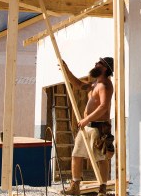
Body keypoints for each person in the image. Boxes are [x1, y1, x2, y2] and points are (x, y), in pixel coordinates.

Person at [60, 56, 115, 195]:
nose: (96, 63)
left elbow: (103, 107)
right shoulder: (96, 83)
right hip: (88, 126)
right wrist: (66, 70)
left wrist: (86, 119)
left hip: (99, 127)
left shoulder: (105, 85)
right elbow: (78, 85)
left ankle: (102, 189)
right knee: (76, 155)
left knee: (101, 158)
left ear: (105, 68)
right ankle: (75, 186)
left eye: (100, 63)